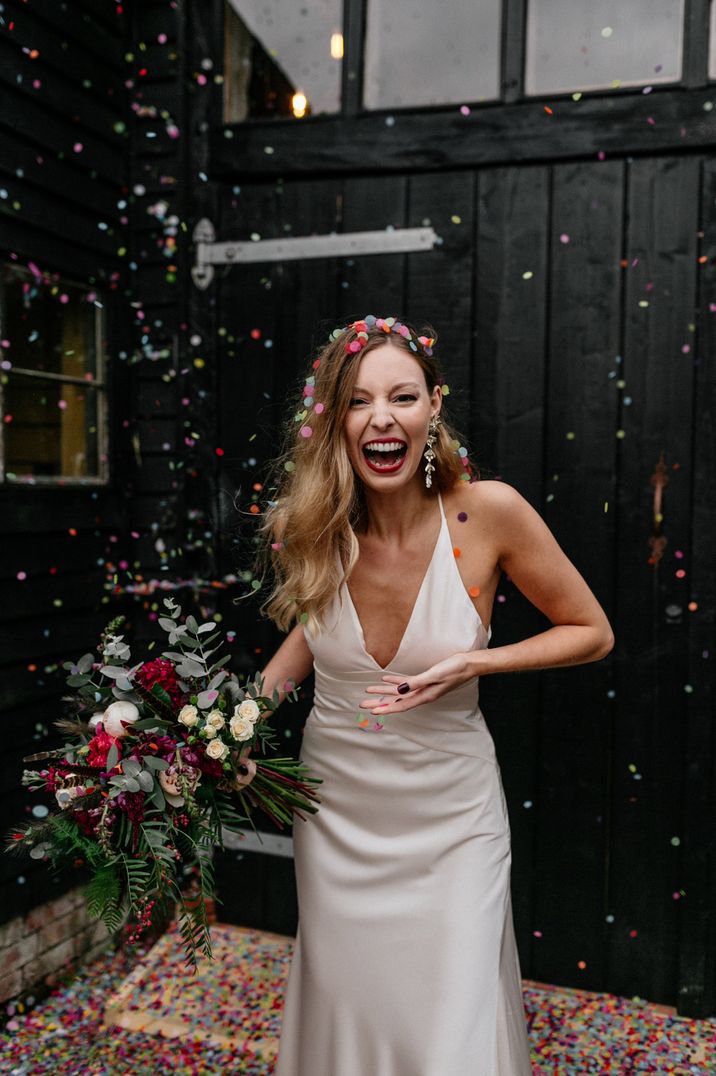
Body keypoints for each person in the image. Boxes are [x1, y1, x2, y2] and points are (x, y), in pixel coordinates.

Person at [256, 315, 614, 1076]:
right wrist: (222, 730)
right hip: (339, 815)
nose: (382, 417)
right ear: (334, 422)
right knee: (351, 999)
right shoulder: (318, 525)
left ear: (431, 409)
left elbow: (591, 631)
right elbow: (310, 638)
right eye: (358, 401)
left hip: (452, 818)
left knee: (454, 1018)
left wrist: (476, 665)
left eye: (402, 397)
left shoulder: (488, 513)